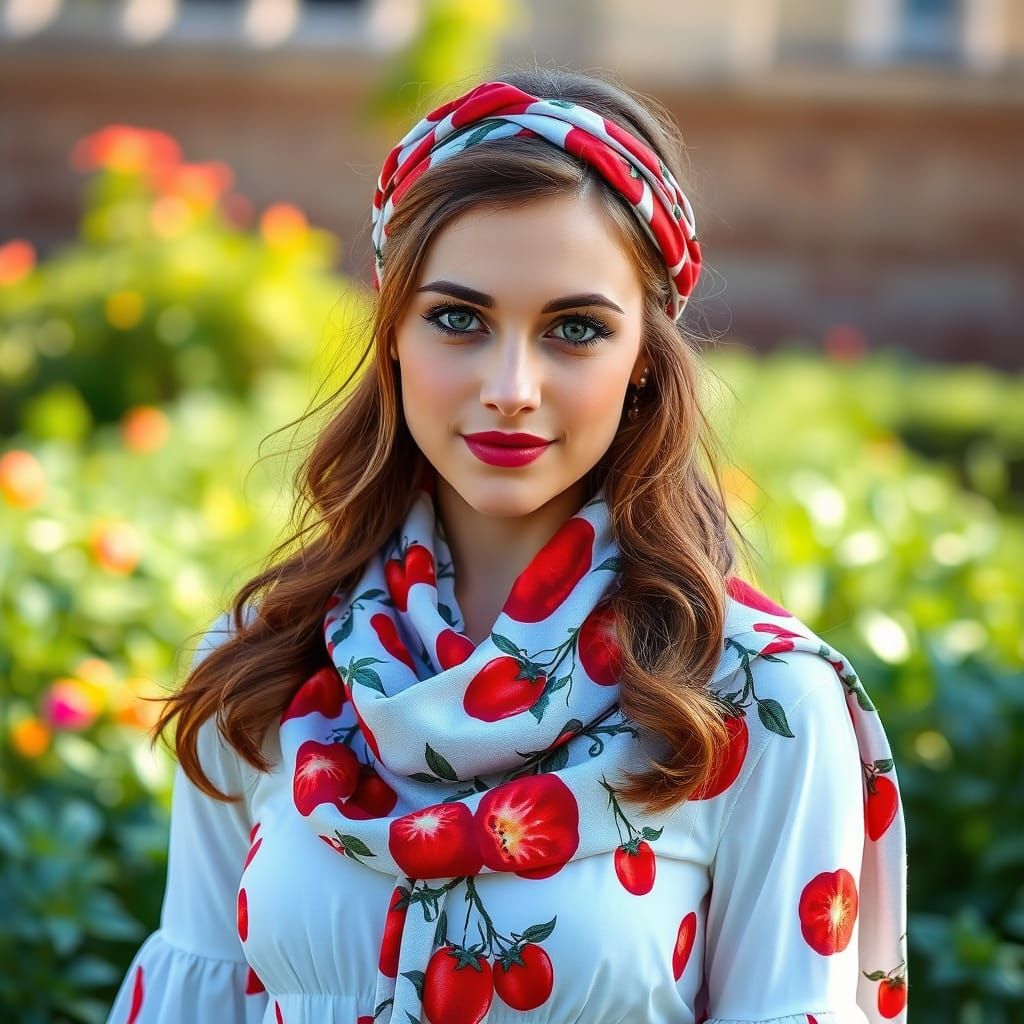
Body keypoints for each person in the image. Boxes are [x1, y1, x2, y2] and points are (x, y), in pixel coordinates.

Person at [104, 67, 909, 1024]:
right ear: (392, 332)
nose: (511, 386)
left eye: (574, 329)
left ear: (644, 361)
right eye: (459, 319)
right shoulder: (265, 664)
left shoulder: (757, 701)